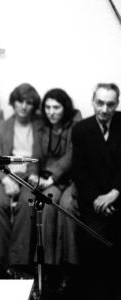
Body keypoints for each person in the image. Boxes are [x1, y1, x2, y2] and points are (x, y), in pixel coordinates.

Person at [24, 88, 81, 295]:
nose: (51, 112)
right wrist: (33, 174)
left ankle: (70, 268)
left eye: (56, 107)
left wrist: (50, 177)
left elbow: (71, 156)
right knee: (48, 204)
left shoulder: (76, 124)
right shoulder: (42, 127)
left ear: (65, 107)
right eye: (47, 107)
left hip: (72, 178)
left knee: (67, 207)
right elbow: (35, 155)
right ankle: (50, 268)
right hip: (50, 181)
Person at [72, 83, 121, 300]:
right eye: (100, 103)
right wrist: (97, 200)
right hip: (93, 202)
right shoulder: (81, 129)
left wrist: (114, 193)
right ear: (93, 101)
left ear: (117, 104)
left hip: (119, 197)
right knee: (94, 244)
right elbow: (80, 173)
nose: (104, 109)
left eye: (110, 104)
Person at [0, 83, 42, 278]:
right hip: (7, 173)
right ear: (13, 102)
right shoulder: (0, 128)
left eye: (29, 102)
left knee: (27, 206)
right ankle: (2, 263)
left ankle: (19, 265)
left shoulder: (41, 125)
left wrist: (34, 173)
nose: (24, 106)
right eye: (20, 101)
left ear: (34, 105)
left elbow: (42, 156)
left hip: (30, 174)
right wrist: (5, 178)